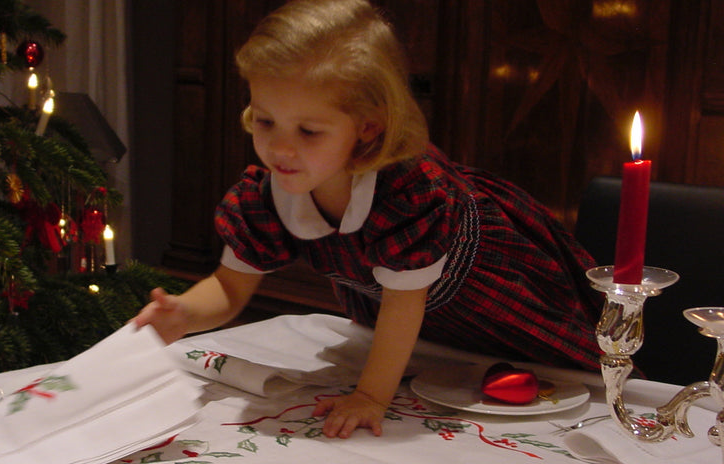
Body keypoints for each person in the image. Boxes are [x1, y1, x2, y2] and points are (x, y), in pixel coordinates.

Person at [133, 0, 604, 440]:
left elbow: (404, 305)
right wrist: (187, 313)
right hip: (420, 330)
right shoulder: (268, 194)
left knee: (563, 394)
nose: (280, 148)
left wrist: (370, 396)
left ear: (368, 127)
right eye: (265, 121)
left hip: (504, 300)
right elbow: (231, 288)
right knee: (446, 381)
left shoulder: (409, 193)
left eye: (308, 130)